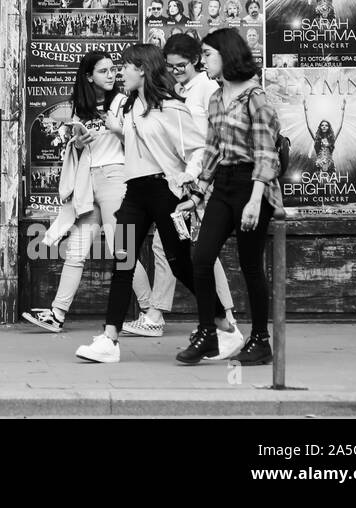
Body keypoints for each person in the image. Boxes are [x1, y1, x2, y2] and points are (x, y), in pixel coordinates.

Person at [73, 44, 239, 363]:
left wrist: (185, 182)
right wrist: (109, 132)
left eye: (126, 67)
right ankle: (109, 339)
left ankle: (224, 325)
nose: (121, 72)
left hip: (165, 190)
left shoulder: (171, 108)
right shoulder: (131, 107)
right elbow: (135, 143)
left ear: (143, 70)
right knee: (123, 259)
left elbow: (198, 149)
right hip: (135, 191)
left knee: (180, 263)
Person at [175, 29, 283, 366]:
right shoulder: (216, 97)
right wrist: (197, 192)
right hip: (223, 184)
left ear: (227, 54)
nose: (203, 60)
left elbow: (267, 154)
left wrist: (255, 200)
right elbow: (212, 150)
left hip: (253, 185)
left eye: (208, 54)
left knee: (251, 266)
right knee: (200, 257)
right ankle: (208, 333)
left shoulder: (256, 98)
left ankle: (261, 340)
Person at [124, 35, 238, 340]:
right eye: (170, 66)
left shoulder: (209, 89)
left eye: (181, 65)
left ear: (196, 62)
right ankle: (220, 316)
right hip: (184, 180)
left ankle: (166, 315)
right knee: (188, 250)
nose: (175, 71)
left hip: (203, 178)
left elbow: (209, 139)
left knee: (189, 250)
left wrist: (197, 177)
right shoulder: (177, 90)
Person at [22, 51, 126, 333]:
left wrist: (116, 130)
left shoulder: (122, 102)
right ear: (89, 76)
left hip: (115, 176)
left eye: (113, 69)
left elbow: (137, 140)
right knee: (76, 250)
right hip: (88, 181)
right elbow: (78, 149)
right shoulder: (83, 107)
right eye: (103, 71)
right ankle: (57, 314)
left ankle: (151, 314)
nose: (111, 74)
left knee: (122, 248)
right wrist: (79, 142)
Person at [304, 99, 346, 176]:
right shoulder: (316, 139)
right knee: (319, 185)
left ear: (328, 127)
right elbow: (308, 127)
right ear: (320, 127)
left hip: (330, 167)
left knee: (331, 186)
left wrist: (343, 110)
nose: (324, 127)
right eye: (322, 125)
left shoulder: (332, 139)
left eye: (326, 125)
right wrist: (305, 110)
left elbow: (340, 126)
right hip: (318, 167)